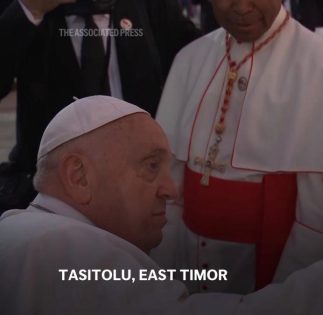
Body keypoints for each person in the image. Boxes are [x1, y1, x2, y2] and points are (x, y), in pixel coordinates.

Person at [0, 95, 323, 314]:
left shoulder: (28, 233)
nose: (172, 190)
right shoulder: (63, 249)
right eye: (151, 167)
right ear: (78, 177)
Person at [153, 0, 323, 294]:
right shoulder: (190, 58)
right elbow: (168, 186)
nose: (242, 6)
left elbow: (320, 220)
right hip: (184, 257)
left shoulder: (322, 66)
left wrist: (286, 299)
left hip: (267, 269)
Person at [0, 0, 201, 212]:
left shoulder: (150, 8)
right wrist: (31, 10)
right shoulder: (26, 8)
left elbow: (201, 55)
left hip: (139, 185)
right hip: (51, 189)